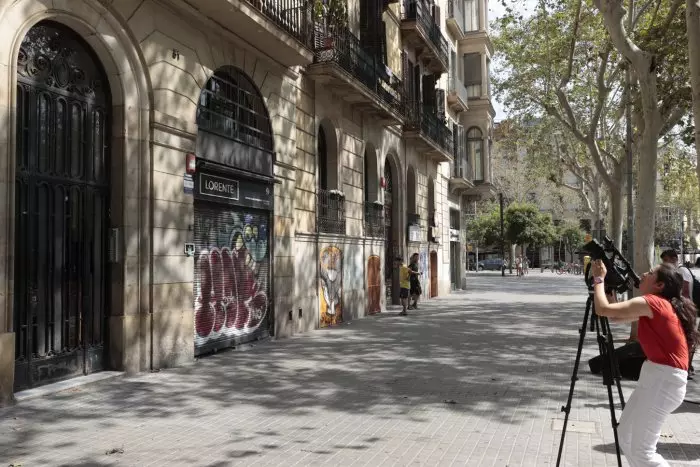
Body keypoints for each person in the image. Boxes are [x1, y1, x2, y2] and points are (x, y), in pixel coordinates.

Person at [591, 260, 699, 466]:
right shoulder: (656, 305)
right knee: (626, 435)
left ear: (659, 285)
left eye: (650, 273)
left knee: (643, 452)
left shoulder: (654, 302)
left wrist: (598, 278)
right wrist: (608, 288)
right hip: (655, 378)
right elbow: (614, 314)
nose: (643, 274)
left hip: (664, 382)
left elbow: (602, 310)